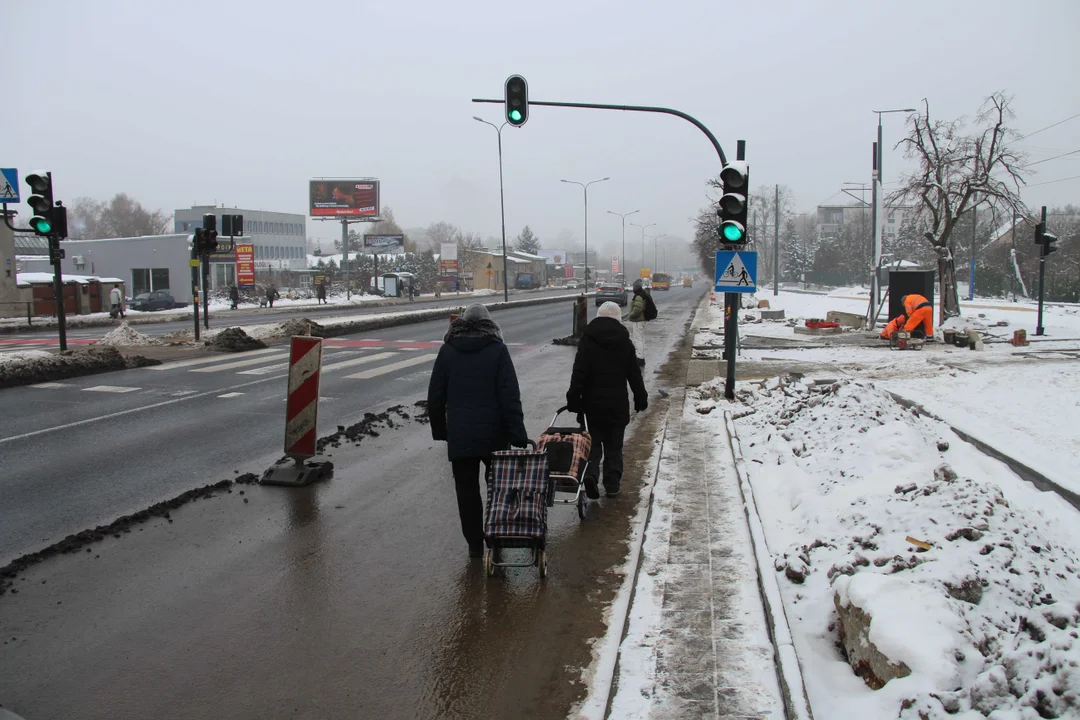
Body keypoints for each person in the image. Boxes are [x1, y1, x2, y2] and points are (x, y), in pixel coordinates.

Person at [427, 304, 529, 558]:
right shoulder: (498, 350)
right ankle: (496, 539)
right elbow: (510, 396)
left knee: (466, 491)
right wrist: (517, 432)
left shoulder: (447, 351)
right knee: (498, 487)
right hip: (495, 434)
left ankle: (474, 544)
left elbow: (436, 396)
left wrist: (440, 429)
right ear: (489, 325)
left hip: (460, 435)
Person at [566, 301, 648, 499]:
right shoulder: (625, 342)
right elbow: (634, 374)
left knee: (592, 445)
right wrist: (640, 397)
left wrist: (573, 398)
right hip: (617, 405)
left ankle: (591, 475)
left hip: (591, 405)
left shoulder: (588, 341)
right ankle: (612, 485)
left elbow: (579, 373)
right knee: (614, 446)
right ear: (619, 318)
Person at [626, 279, 651, 367]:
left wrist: (630, 316)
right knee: (641, 338)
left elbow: (637, 309)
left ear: (636, 288)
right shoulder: (643, 294)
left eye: (634, 287)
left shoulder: (638, 296)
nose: (633, 288)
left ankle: (640, 358)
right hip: (642, 320)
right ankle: (641, 356)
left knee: (638, 340)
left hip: (638, 320)